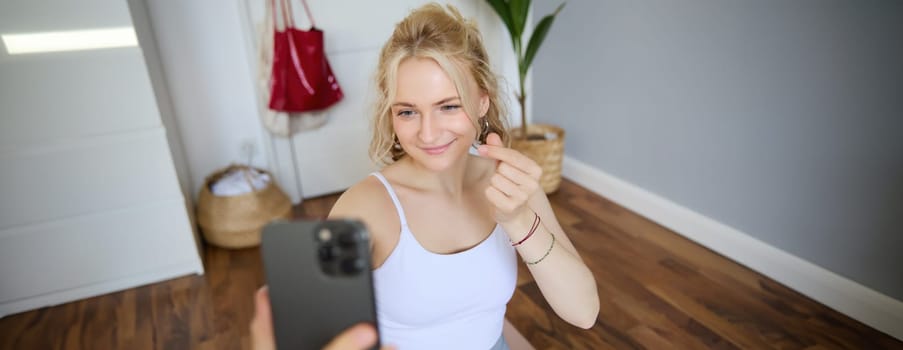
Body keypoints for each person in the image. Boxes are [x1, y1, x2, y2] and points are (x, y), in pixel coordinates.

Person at [251, 3, 599, 349]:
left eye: (448, 106)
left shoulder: (510, 183)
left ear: (482, 102)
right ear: (391, 114)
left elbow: (584, 312)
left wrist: (520, 220)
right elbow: (315, 336)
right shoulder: (366, 207)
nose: (428, 134)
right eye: (408, 111)